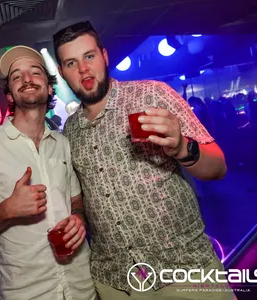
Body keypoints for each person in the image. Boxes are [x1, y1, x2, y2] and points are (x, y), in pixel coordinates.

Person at [53, 21, 233, 300]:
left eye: (89, 56)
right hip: (115, 282)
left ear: (104, 56)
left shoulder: (152, 94)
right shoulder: (71, 131)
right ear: (63, 72)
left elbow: (218, 167)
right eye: (71, 63)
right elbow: (86, 199)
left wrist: (183, 148)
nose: (83, 69)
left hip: (182, 271)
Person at [0, 46, 96, 300]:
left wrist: (78, 218)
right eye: (17, 76)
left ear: (50, 87)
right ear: (9, 95)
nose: (27, 79)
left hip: (81, 284)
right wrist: (7, 209)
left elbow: (75, 200)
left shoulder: (62, 143)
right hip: (28, 292)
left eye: (35, 72)